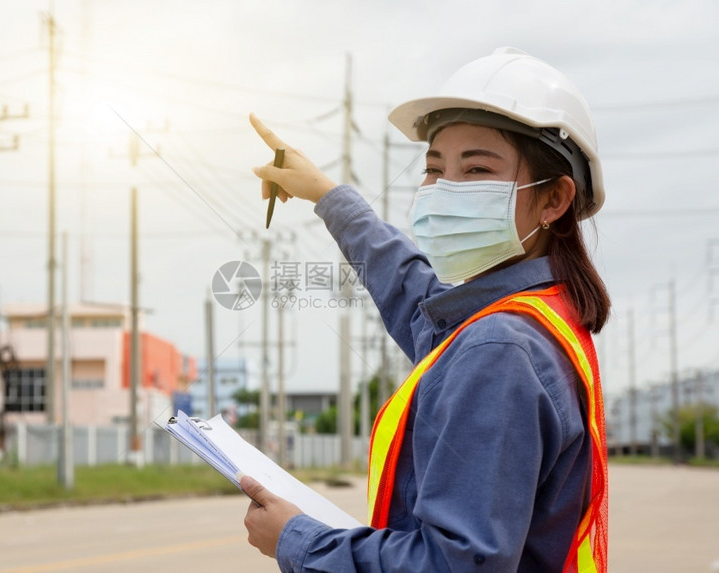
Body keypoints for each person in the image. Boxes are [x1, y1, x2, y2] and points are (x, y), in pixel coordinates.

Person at [243, 47, 610, 572]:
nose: (444, 192)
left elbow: (455, 563)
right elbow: (417, 296)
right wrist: (326, 194)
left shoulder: (501, 348)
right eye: (434, 168)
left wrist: (297, 539)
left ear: (554, 200)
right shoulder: (536, 319)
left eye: (477, 168)